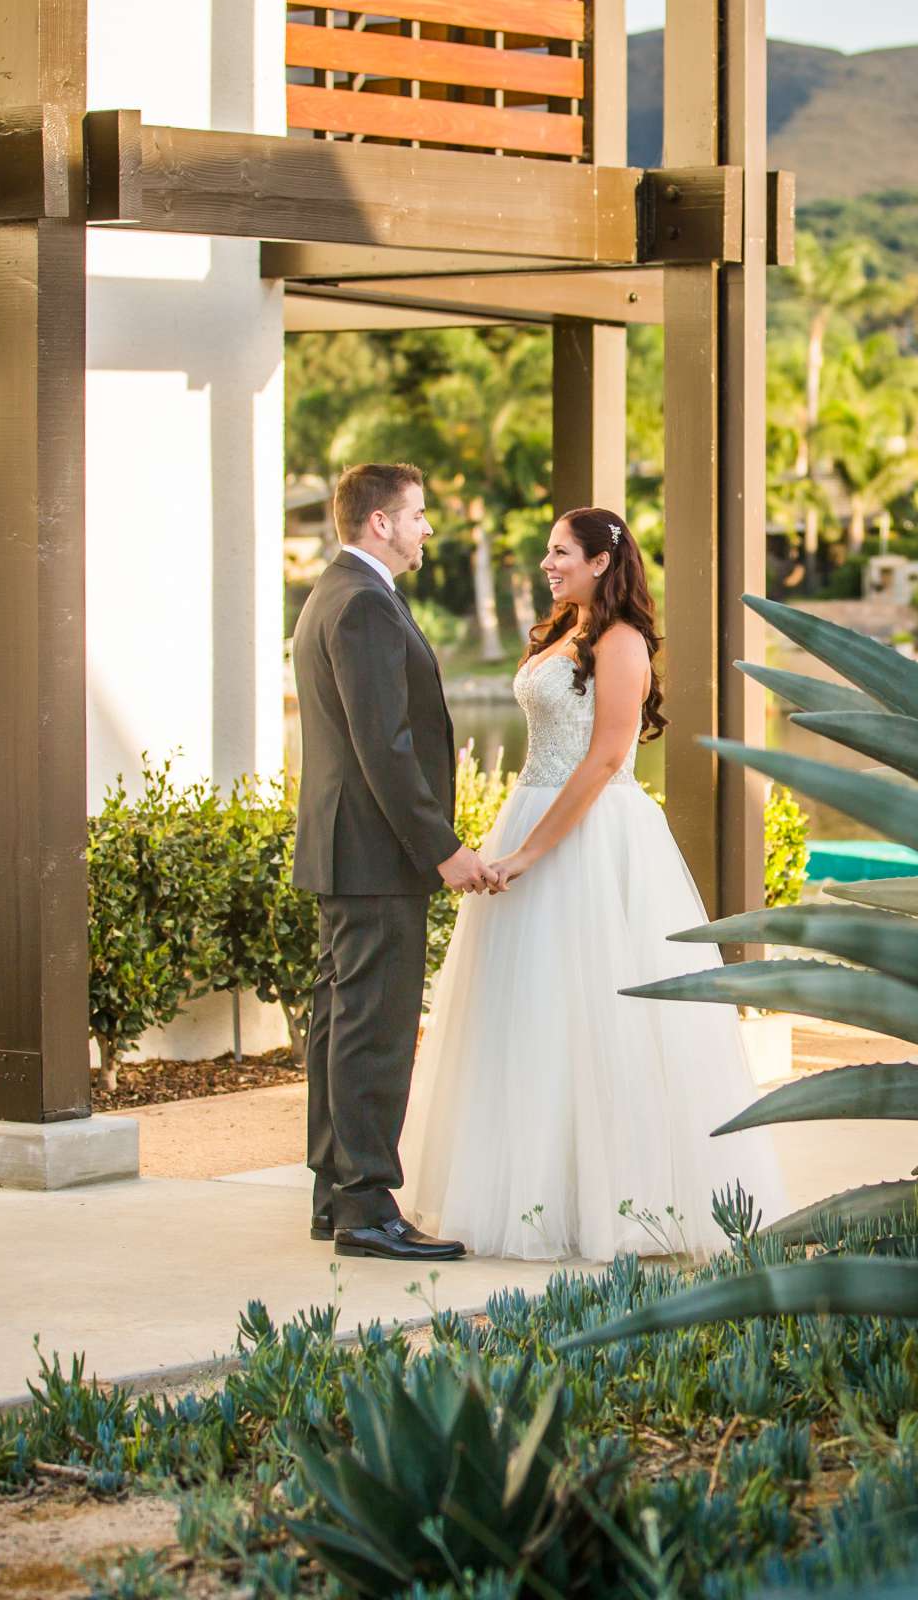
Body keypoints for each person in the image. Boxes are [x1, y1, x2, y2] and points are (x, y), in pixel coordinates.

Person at [399, 507, 787, 1262]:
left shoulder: (621, 642)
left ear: (603, 561)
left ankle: (621, 1204)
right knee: (530, 1015)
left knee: (604, 1017)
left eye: (561, 552)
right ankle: (535, 1195)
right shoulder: (561, 633)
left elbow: (608, 759)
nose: (548, 563)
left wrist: (529, 855)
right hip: (530, 814)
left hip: (591, 839)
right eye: (548, 551)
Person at [290, 463, 500, 1263]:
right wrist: (441, 848)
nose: (425, 530)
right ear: (381, 522)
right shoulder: (366, 605)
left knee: (340, 1021)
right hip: (375, 853)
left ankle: (334, 1194)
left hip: (349, 850)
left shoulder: (336, 595)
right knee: (372, 1029)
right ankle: (368, 1207)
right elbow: (386, 746)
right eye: (417, 516)